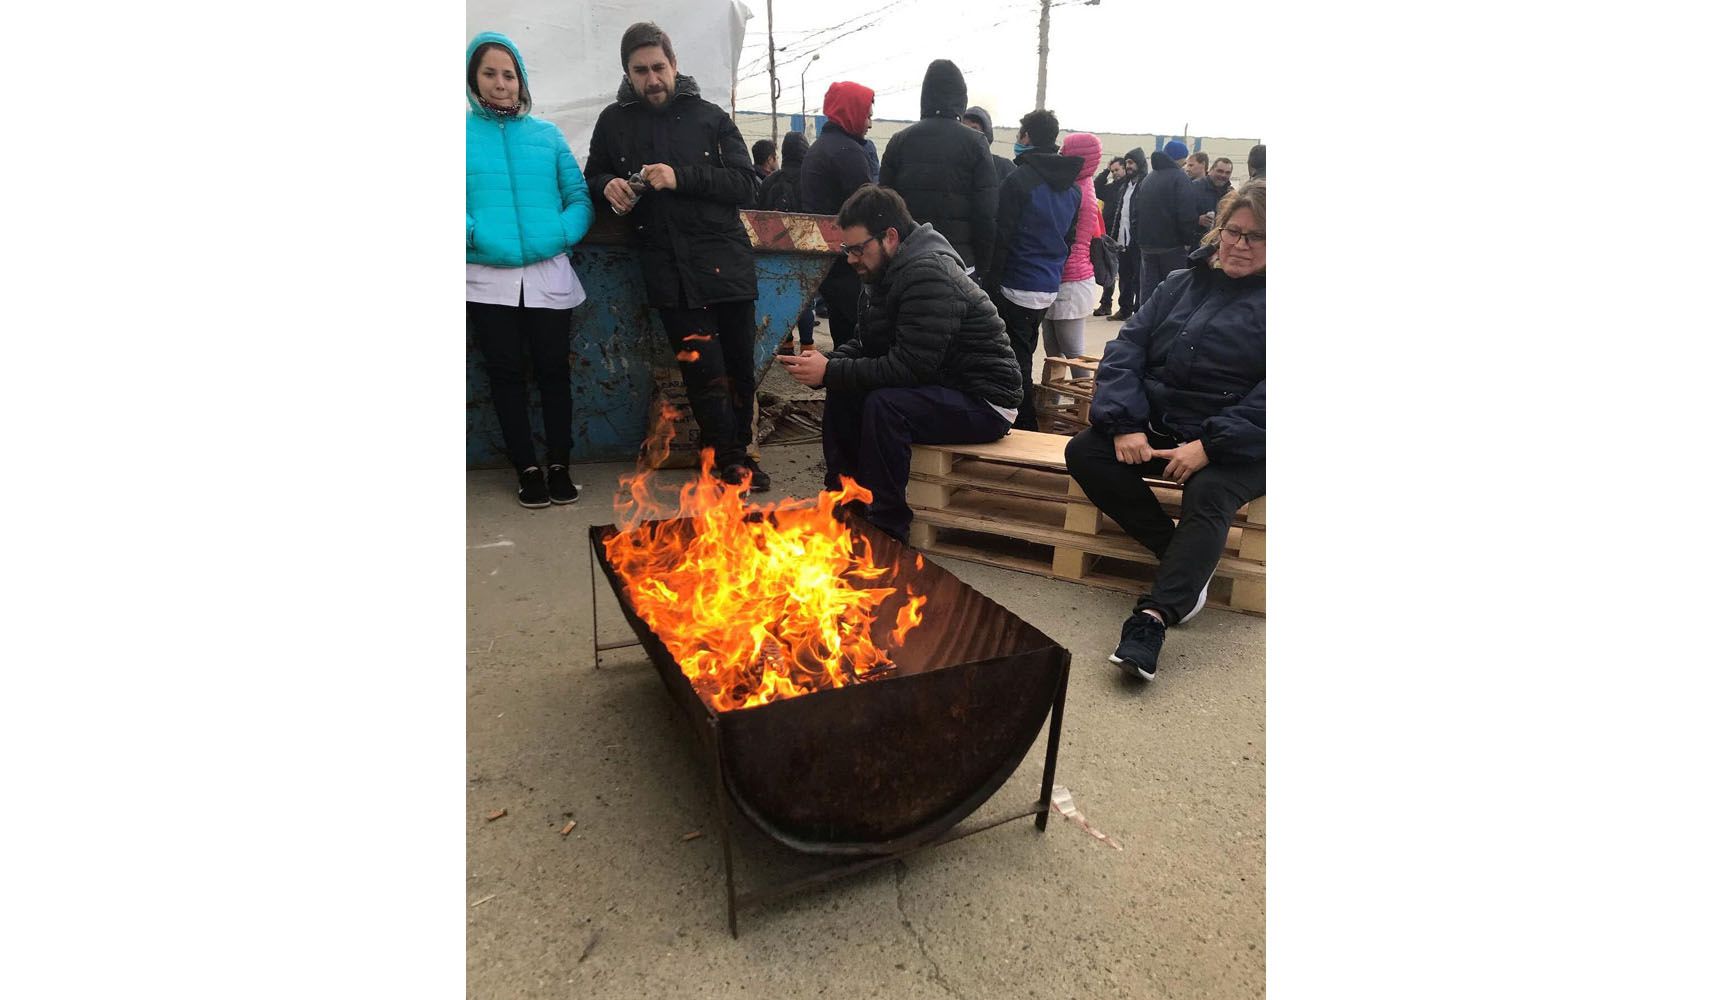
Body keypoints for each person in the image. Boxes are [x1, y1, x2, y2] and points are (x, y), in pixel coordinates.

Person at [1064, 179, 1266, 681]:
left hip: (1242, 437)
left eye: (1257, 236)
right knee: (1088, 452)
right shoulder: (1179, 282)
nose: (1240, 244)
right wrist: (1126, 424)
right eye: (1233, 231)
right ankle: (1180, 559)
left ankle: (1154, 615)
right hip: (1162, 419)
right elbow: (1125, 351)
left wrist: (1209, 445)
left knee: (1211, 489)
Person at [776, 185, 1022, 543]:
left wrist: (830, 370)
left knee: (886, 405)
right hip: (943, 385)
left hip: (984, 400)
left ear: (890, 237)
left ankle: (887, 527)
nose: (850, 259)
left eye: (858, 249)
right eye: (847, 249)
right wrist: (826, 365)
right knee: (846, 388)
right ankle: (844, 506)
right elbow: (865, 343)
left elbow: (911, 366)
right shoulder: (885, 272)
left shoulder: (927, 273)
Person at [585, 21, 769, 491]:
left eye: (659, 68)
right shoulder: (613, 121)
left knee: (737, 368)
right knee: (701, 370)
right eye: (640, 70)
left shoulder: (710, 117)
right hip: (666, 267)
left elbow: (746, 183)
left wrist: (680, 176)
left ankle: (739, 453)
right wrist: (607, 185)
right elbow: (593, 173)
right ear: (627, 73)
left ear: (674, 65)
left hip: (724, 260)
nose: (652, 79)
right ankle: (726, 460)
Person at [466, 32, 595, 509]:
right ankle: (526, 469)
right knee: (504, 375)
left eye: (509, 74)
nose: (501, 84)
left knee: (553, 372)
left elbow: (578, 199)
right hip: (486, 279)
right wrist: (476, 236)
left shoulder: (547, 135)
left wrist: (556, 236)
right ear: (473, 80)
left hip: (547, 274)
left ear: (521, 80)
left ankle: (560, 464)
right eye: (490, 74)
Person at [979, 109, 1082, 430]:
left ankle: (1024, 425)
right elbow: (1069, 237)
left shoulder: (1019, 180)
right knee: (1024, 348)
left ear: (1026, 137)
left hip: (1016, 284)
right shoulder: (1073, 188)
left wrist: (990, 285)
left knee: (1015, 357)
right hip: (1047, 284)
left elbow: (1002, 237)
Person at [878, 60, 998, 277]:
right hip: (960, 263)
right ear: (961, 99)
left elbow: (884, 208)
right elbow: (985, 214)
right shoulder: (976, 143)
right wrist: (984, 266)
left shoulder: (899, 141)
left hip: (909, 260)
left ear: (925, 96)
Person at [801, 81, 877, 348]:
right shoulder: (848, 152)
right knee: (859, 342)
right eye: (866, 114)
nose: (869, 123)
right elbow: (869, 209)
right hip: (850, 261)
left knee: (842, 338)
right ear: (851, 111)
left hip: (830, 261)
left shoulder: (820, 147)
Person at [1040, 132, 1104, 380]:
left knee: (1073, 352)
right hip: (1060, 277)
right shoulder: (1079, 184)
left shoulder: (1078, 191)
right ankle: (1051, 407)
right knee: (1053, 351)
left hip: (1072, 280)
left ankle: (1086, 408)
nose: (1060, 155)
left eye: (1065, 151)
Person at [1132, 139, 1195, 293]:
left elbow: (1135, 212)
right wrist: (1188, 240)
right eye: (1184, 159)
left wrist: (1140, 239)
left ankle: (1147, 317)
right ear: (1179, 158)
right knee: (1172, 292)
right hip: (1172, 247)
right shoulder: (1180, 178)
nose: (1185, 163)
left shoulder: (1148, 179)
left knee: (1149, 291)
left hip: (1147, 246)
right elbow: (1186, 213)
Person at [1104, 147, 1146, 319]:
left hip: (1138, 240)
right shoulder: (1125, 186)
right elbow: (1119, 213)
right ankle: (1124, 309)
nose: (1128, 166)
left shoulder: (1145, 184)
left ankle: (1138, 311)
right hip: (1122, 239)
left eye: (1131, 162)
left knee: (1139, 279)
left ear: (1139, 163)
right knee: (1125, 277)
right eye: (1127, 162)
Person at [1093, 156, 1125, 316]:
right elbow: (1095, 187)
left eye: (1117, 170)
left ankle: (1125, 306)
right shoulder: (1111, 188)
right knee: (1109, 270)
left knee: (1124, 273)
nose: (1115, 174)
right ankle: (1106, 303)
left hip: (1124, 236)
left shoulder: (1129, 187)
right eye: (1112, 171)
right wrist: (1105, 170)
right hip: (1109, 235)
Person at [961, 106, 1017, 183]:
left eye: (974, 129)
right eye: (964, 129)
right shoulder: (950, 167)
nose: (969, 134)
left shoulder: (1004, 168)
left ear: (985, 134)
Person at [1190, 156, 1234, 240]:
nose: (1223, 175)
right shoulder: (1195, 187)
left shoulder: (1231, 194)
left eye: (1227, 173)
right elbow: (1182, 214)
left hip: (1219, 241)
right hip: (1196, 240)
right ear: (1211, 170)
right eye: (1220, 171)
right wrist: (1197, 220)